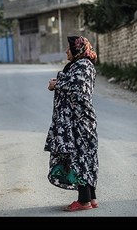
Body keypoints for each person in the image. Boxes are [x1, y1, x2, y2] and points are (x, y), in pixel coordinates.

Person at [44, 35, 99, 212]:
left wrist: (57, 83)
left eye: (69, 48)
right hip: (77, 121)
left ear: (77, 49)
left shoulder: (83, 65)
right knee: (84, 156)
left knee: (80, 157)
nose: (66, 51)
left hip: (79, 122)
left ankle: (84, 201)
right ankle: (91, 198)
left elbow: (78, 89)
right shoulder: (79, 65)